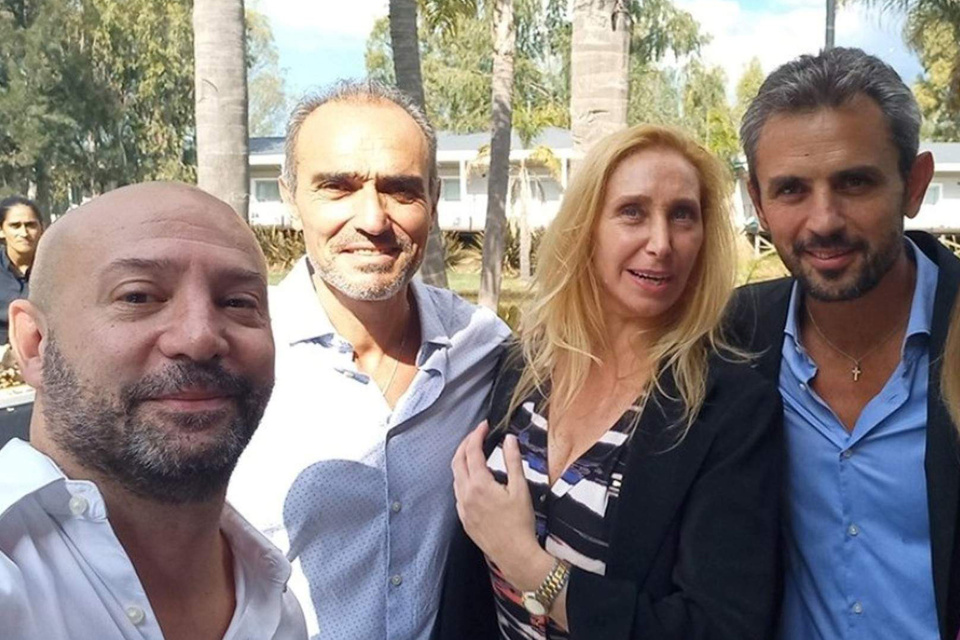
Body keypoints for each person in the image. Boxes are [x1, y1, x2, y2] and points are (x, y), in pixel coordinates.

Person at [434, 124, 783, 640]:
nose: (661, 243)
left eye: (682, 215)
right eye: (632, 212)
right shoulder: (527, 366)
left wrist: (529, 565)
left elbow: (719, 627)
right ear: (586, 228)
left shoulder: (730, 410)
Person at [228, 80, 511, 639]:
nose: (374, 220)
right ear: (291, 197)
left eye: (401, 191)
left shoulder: (483, 348)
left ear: (433, 198)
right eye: (338, 187)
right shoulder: (233, 357)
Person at [0, 182, 307, 640]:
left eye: (237, 302)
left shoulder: (273, 602)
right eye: (138, 297)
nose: (200, 338)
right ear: (34, 344)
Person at [731, 47, 960, 640]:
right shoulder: (733, 340)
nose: (824, 220)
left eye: (855, 182)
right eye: (791, 190)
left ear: (914, 184)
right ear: (758, 204)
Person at [0, 196, 43, 344]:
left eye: (31, 225)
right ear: (1, 230)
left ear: (42, 228)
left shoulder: (57, 267)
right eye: (15, 226)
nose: (24, 233)